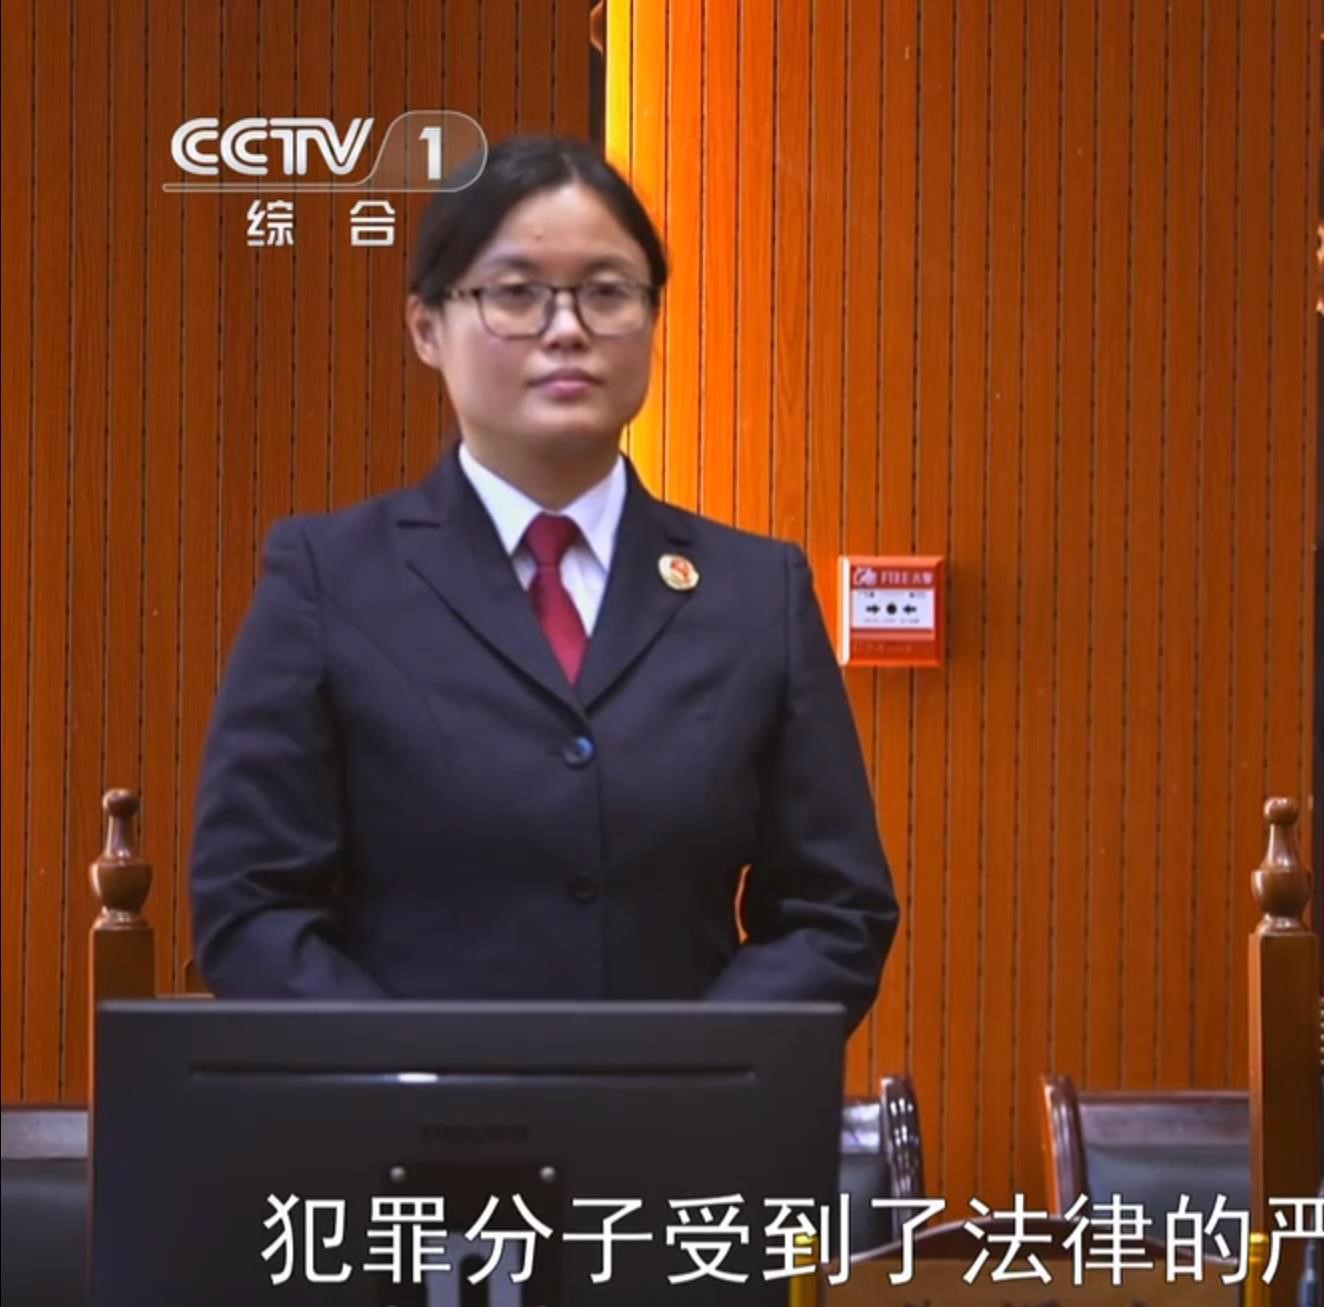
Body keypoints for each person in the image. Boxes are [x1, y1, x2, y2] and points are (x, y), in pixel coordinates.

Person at [188, 136, 900, 1012]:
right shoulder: (329, 580)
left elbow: (835, 911)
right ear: (426, 327)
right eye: (516, 294)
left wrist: (704, 1065)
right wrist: (414, 1073)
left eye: (607, 293)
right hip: (401, 1101)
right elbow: (250, 907)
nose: (567, 329)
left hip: (687, 1101)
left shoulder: (756, 594)